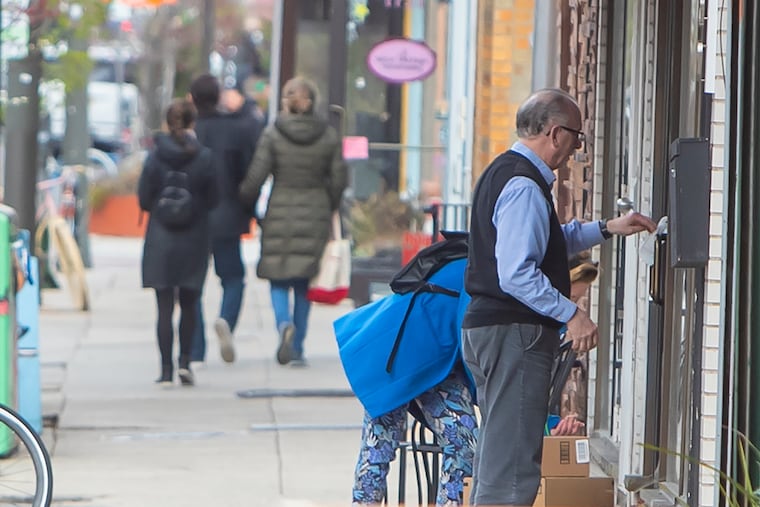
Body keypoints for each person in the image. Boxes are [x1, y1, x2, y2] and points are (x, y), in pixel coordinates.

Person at [461, 88, 656, 506]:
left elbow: (547, 243)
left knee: (497, 462)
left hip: (492, 330)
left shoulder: (502, 173)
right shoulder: (524, 186)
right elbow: (517, 273)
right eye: (577, 137)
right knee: (512, 471)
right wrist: (572, 314)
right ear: (554, 133)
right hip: (515, 333)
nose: (575, 149)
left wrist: (606, 228)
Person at [239, 76, 347, 367]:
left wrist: (244, 202)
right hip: (315, 210)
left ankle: (283, 324)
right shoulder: (327, 135)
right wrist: (329, 206)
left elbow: (257, 175)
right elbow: (339, 179)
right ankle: (297, 346)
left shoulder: (274, 134)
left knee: (278, 278)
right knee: (302, 282)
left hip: (279, 209)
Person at [138, 99, 219, 386]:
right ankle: (186, 361)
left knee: (163, 307)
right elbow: (214, 199)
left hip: (161, 238)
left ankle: (164, 369)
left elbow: (144, 199)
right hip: (193, 237)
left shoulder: (155, 155)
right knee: (189, 302)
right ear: (192, 123)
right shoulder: (205, 157)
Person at [189, 74, 264, 364]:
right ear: (218, 95)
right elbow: (249, 172)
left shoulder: (191, 130)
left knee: (192, 284)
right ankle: (226, 322)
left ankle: (195, 349)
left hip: (193, 218)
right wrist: (246, 205)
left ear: (193, 98)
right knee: (233, 278)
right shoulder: (237, 129)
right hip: (227, 214)